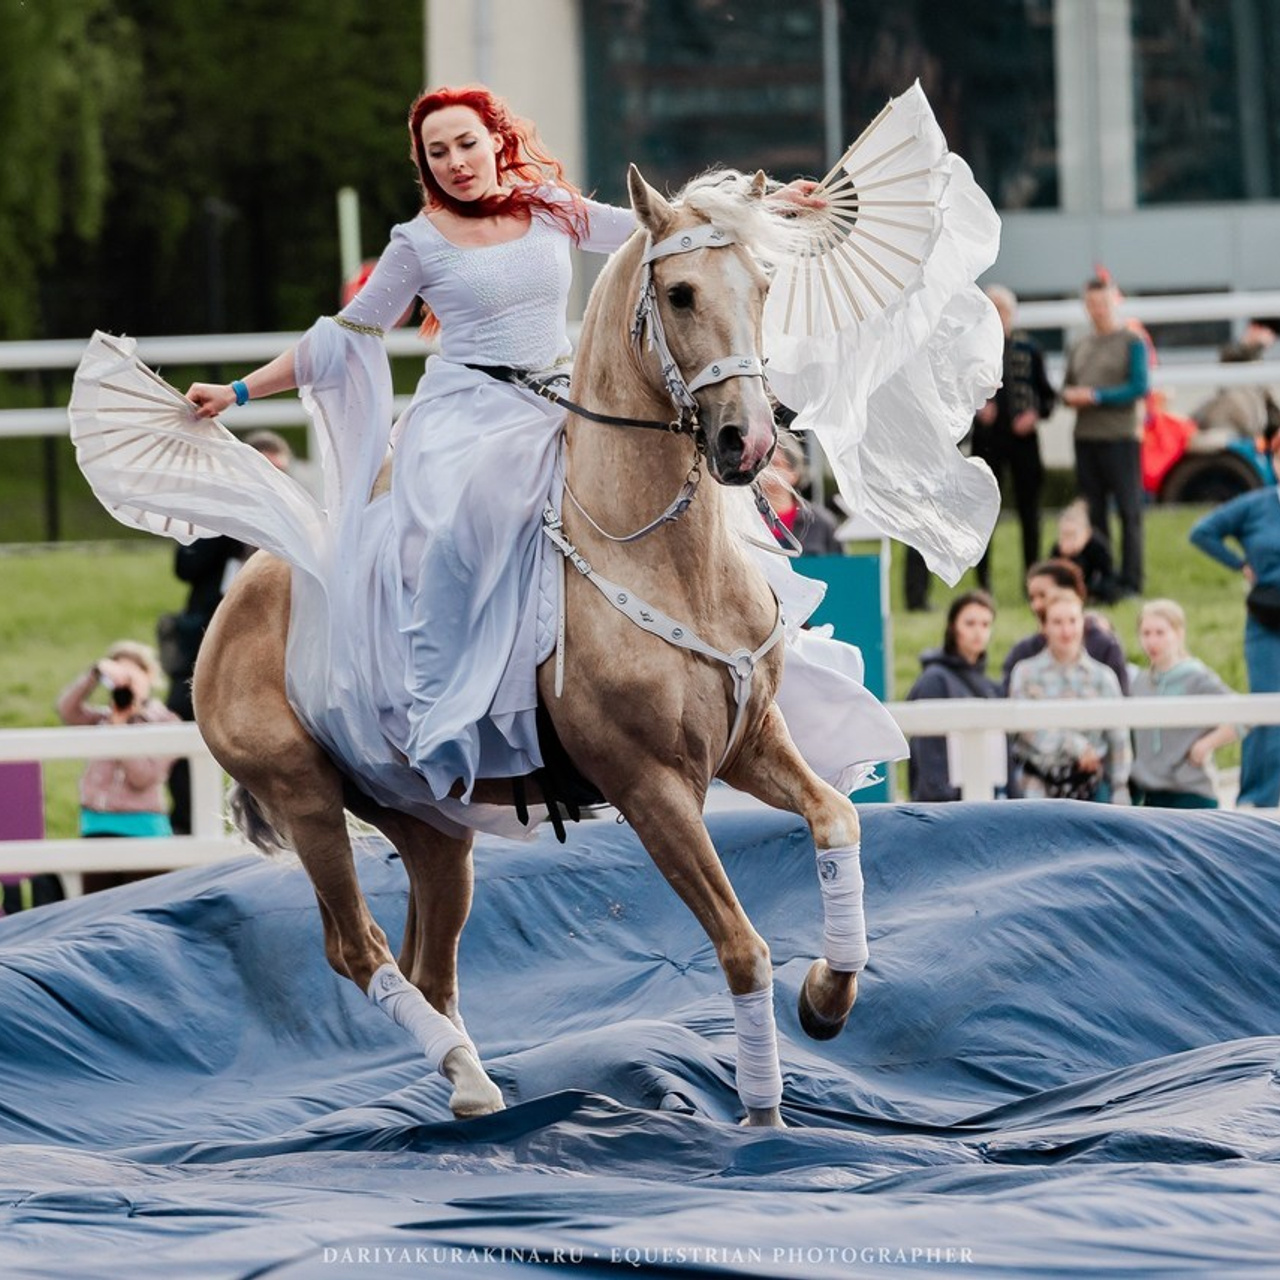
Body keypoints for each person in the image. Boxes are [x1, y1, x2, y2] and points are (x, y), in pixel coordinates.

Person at [162, 430, 294, 834]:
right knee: (185, 723)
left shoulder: (290, 511)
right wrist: (232, 521)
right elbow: (186, 567)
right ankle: (187, 823)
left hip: (267, 641)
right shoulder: (214, 507)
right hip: (207, 635)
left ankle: (276, 820)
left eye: (280, 473)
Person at [55, 641, 179, 893]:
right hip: (96, 826)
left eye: (132, 676)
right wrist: (95, 674)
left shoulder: (165, 723)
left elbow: (143, 777)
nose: (127, 685)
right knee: (97, 914)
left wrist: (119, 730)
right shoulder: (101, 719)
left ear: (149, 677)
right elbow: (67, 710)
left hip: (144, 830)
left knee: (144, 911)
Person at [1190, 479, 1280, 807]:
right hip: (1268, 619)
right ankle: (1258, 800)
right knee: (1267, 705)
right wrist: (1239, 564)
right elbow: (1202, 531)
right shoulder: (1256, 505)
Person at [1062, 276, 1150, 597]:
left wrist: (1097, 397)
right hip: (1086, 437)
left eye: (1102, 304)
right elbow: (1067, 384)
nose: (1097, 310)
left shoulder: (1131, 341)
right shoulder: (1080, 345)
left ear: (1113, 303)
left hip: (1120, 437)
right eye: (1091, 304)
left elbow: (1140, 387)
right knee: (1094, 512)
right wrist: (1070, 396)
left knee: (1128, 510)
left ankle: (1132, 580)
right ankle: (1103, 577)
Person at [969, 284, 1055, 591]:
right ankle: (983, 581)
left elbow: (1047, 397)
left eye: (1003, 310)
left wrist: (1034, 415)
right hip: (988, 441)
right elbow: (955, 395)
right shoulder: (971, 348)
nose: (998, 316)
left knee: (1030, 511)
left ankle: (1033, 578)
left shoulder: (1029, 349)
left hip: (1023, 440)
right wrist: (977, 409)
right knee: (984, 510)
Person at [1009, 590, 1130, 803]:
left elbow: (1118, 737)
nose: (1066, 630)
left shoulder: (1102, 676)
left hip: (1091, 786)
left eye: (1073, 621)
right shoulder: (1026, 673)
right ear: (1044, 626)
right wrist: (1075, 746)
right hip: (1037, 786)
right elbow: (1026, 730)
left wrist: (1120, 786)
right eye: (1057, 622)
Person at [905, 590, 1015, 801]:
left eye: (985, 624)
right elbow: (929, 757)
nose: (978, 632)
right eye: (970, 623)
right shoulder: (934, 681)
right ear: (953, 626)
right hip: (946, 812)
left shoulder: (992, 688)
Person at [1129, 599, 1237, 809]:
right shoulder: (1140, 682)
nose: (1152, 641)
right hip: (1151, 795)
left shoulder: (1196, 677)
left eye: (1160, 633)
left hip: (1191, 793)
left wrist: (1205, 745)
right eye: (1146, 633)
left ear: (1178, 634)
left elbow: (1244, 717)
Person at [1000, 558, 1130, 695]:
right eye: (1032, 598)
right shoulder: (1023, 657)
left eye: (1043, 595)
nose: (1036, 605)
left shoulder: (1106, 650)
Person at [1193, 319, 1280, 440]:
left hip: (1246, 421)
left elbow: (1268, 402)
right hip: (1234, 418)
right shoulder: (1235, 352)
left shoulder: (1258, 363)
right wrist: (1251, 344)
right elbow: (1229, 359)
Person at [756, 432, 842, 555]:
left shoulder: (820, 522)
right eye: (761, 464)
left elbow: (841, 568)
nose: (766, 471)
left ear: (794, 473)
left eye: (775, 464)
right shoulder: (743, 519)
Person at [1050, 499, 1123, 604]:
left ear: (1087, 534)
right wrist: (1065, 559)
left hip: (1093, 585)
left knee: (1111, 590)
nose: (1068, 540)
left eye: (1072, 535)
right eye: (1064, 535)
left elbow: (1108, 575)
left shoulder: (1098, 547)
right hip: (1069, 587)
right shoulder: (1057, 550)